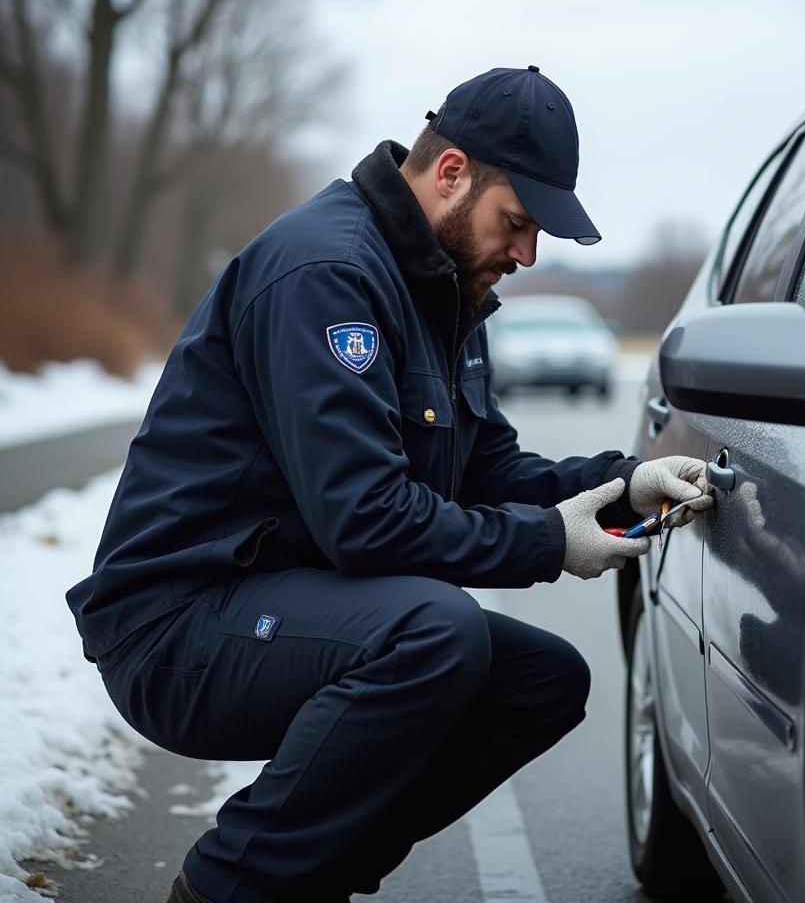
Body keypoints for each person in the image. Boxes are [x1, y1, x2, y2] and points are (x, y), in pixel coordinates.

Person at [66, 65, 713, 903]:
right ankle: (231, 885)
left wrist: (625, 485)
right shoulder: (325, 273)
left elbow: (488, 471)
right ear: (451, 174)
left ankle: (299, 875)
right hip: (178, 622)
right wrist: (552, 543)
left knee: (542, 681)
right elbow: (365, 523)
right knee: (436, 632)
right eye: (516, 222)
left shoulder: (444, 292)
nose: (526, 253)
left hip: (285, 598)